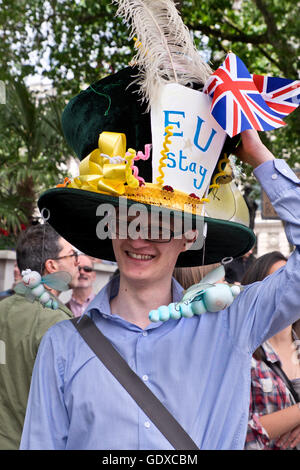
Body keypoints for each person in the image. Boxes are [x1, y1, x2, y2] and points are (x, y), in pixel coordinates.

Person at [19, 129, 300, 450]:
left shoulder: (231, 325)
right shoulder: (62, 347)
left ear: (188, 237)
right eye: (129, 220)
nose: (140, 238)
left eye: (160, 224)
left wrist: (260, 157)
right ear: (110, 227)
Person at [0, 223, 79, 450]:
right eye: (72, 254)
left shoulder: (4, 308)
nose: (77, 261)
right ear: (52, 266)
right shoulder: (57, 323)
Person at [242, 251, 300, 450]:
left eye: (295, 282)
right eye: (280, 282)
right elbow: (242, 432)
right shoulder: (244, 354)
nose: (289, 291)